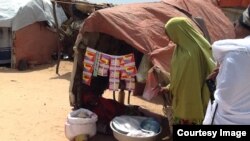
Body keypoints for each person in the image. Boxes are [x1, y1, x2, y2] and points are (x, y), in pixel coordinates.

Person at [163, 17, 216, 125]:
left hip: (191, 103)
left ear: (178, 31)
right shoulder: (180, 49)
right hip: (181, 100)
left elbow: (188, 81)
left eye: (169, 34)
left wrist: (171, 88)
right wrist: (169, 87)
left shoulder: (191, 53)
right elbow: (179, 76)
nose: (169, 39)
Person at [203, 6, 250, 124]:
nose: (234, 24)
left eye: (238, 22)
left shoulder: (237, 53)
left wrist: (215, 85)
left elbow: (226, 100)